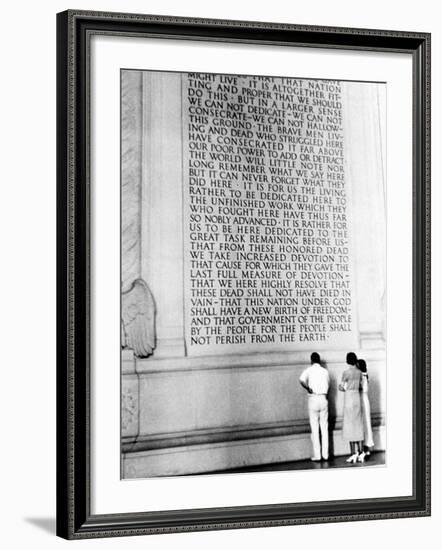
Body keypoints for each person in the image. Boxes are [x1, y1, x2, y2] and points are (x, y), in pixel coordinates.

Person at [299, 352, 330, 461]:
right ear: (319, 360)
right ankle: (326, 455)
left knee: (315, 429)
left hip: (313, 399)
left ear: (311, 360)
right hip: (323, 398)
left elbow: (301, 380)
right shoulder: (325, 371)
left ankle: (318, 455)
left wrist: (308, 388)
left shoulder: (309, 370)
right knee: (325, 428)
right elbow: (328, 384)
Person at [339, 352, 364, 463]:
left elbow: (342, 387)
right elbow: (360, 386)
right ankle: (361, 451)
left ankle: (353, 453)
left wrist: (341, 388)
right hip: (357, 397)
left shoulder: (346, 373)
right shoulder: (359, 372)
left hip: (349, 397)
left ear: (347, 360)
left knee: (349, 425)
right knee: (358, 424)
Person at [357, 359, 374, 459]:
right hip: (364, 400)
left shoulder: (363, 376)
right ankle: (366, 448)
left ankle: (364, 449)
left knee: (364, 424)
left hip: (362, 401)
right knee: (365, 424)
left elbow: (363, 389)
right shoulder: (364, 375)